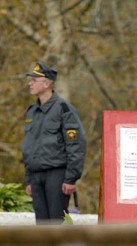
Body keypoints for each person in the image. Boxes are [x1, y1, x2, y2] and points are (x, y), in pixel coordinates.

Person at [21, 62, 87, 225]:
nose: (30, 83)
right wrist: (29, 180)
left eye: (35, 80)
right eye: (30, 80)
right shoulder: (32, 111)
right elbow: (30, 147)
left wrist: (71, 178)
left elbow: (76, 144)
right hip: (36, 175)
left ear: (47, 83)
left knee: (57, 224)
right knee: (42, 226)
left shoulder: (64, 109)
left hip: (56, 174)